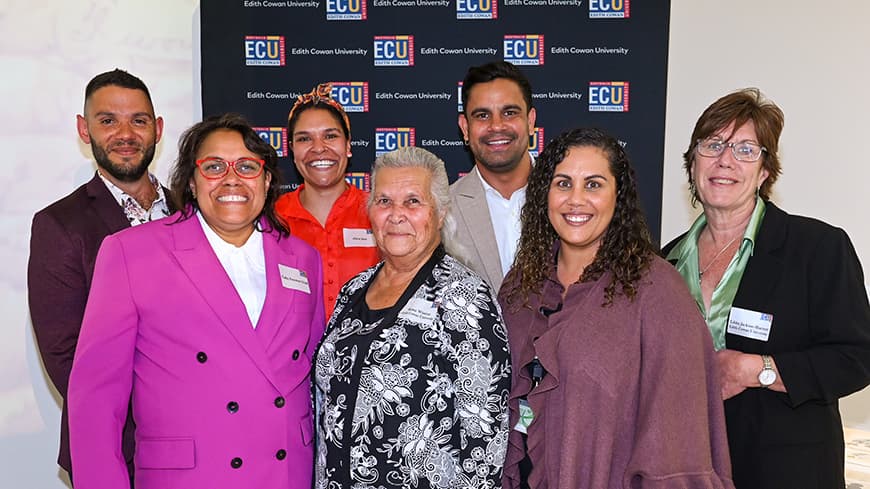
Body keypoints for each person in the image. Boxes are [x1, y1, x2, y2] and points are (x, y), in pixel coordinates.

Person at [68, 113, 325, 489]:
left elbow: (315, 374)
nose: (232, 179)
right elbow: (95, 398)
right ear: (191, 180)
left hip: (286, 474)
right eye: (214, 166)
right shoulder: (132, 253)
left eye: (248, 166)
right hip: (192, 478)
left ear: (268, 180)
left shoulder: (303, 258)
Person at [500, 128, 734, 488]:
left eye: (593, 185)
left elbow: (677, 444)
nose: (575, 200)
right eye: (563, 184)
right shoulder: (520, 287)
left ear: (617, 196)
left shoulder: (657, 292)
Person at [663, 88, 870, 488]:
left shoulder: (817, 248)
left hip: (786, 473)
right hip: (687, 470)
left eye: (745, 149)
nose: (725, 160)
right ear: (692, 164)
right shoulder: (663, 263)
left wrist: (755, 369)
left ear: (764, 171)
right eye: (713, 144)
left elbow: (857, 357)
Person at [313, 146, 511, 488]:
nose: (396, 215)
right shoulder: (353, 290)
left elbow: (485, 441)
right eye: (384, 201)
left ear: (439, 212)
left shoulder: (464, 297)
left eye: (413, 202)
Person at [28, 68, 172, 483]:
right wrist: (165, 408)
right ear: (84, 129)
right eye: (108, 120)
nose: (124, 134)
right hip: (112, 446)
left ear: (158, 129)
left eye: (138, 121)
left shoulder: (192, 213)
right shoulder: (59, 224)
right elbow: (64, 354)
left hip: (197, 443)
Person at [276, 83, 379, 317]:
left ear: (348, 145)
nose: (319, 148)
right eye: (304, 139)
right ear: (291, 149)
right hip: (297, 352)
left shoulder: (378, 212)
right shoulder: (271, 219)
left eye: (330, 136)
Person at [447, 60, 536, 292]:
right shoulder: (443, 210)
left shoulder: (570, 200)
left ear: (530, 121)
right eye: (482, 115)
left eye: (509, 112)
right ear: (465, 128)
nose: (497, 126)